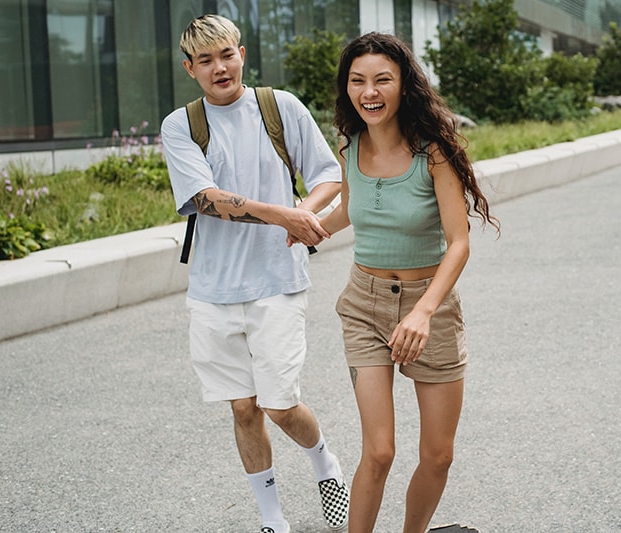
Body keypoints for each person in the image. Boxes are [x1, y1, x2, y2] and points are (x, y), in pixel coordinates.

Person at [160, 14, 349, 533]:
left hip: (277, 281)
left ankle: (324, 462)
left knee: (281, 404)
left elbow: (329, 173)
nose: (219, 67)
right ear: (190, 68)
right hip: (213, 289)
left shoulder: (279, 107)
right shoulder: (182, 125)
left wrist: (305, 211)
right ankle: (273, 521)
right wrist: (284, 214)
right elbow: (206, 199)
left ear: (241, 52)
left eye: (226, 54)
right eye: (205, 60)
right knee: (243, 408)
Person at [317, 32, 499, 533]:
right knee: (378, 451)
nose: (368, 92)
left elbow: (458, 243)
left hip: (430, 308)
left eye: (381, 80)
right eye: (357, 81)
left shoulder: (432, 154)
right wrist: (301, 229)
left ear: (404, 86)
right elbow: (350, 211)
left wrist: (422, 312)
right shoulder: (349, 145)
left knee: (438, 455)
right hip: (364, 305)